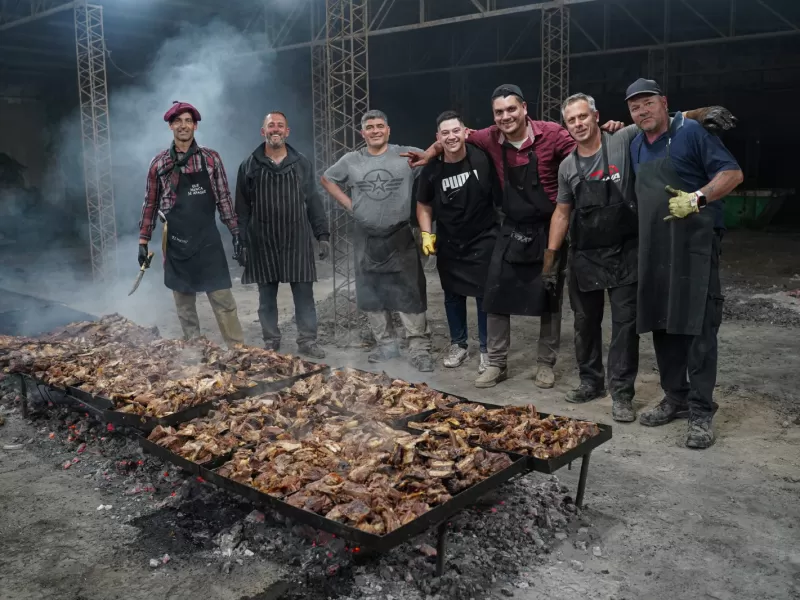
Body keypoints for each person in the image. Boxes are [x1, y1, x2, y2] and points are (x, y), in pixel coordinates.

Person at [407, 85, 616, 388]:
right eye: (499, 112)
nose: (505, 116)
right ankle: (496, 362)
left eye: (511, 110)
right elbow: (453, 138)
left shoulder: (552, 133)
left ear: (524, 108)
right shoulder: (489, 136)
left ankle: (545, 363)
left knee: (550, 295)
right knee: (494, 294)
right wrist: (430, 153)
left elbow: (587, 144)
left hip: (549, 227)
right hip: (511, 226)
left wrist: (607, 130)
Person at [625, 78, 743, 449]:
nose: (642, 111)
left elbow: (732, 174)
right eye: (634, 106)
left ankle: (701, 411)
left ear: (664, 103)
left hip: (695, 247)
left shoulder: (690, 132)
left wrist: (696, 199)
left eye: (647, 103)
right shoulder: (635, 145)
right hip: (656, 249)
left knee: (698, 331)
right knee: (664, 325)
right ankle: (675, 397)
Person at [546, 93, 641, 422]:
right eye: (571, 120)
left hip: (625, 251)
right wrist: (550, 260)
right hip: (584, 254)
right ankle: (591, 382)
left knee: (624, 327)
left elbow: (659, 120)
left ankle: (622, 393)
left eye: (583, 116)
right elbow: (561, 213)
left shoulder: (621, 140)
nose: (578, 124)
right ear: (566, 125)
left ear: (596, 116)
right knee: (585, 323)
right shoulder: (567, 166)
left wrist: (702, 114)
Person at [320, 109, 434, 372]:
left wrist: (447, 141)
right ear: (363, 133)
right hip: (366, 236)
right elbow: (327, 179)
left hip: (400, 234)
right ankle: (387, 345)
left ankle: (419, 348)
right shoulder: (351, 160)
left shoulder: (405, 154)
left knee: (410, 292)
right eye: (369, 127)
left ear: (388, 129)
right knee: (372, 293)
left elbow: (434, 156)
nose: (375, 130)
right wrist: (351, 206)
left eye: (379, 126)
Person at [138, 101, 245, 348]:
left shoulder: (210, 159)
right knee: (184, 305)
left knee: (223, 301)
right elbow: (150, 204)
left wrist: (235, 231)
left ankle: (239, 352)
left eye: (188, 121)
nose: (183, 126)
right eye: (178, 121)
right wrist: (143, 241)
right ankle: (196, 352)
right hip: (175, 242)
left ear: (195, 126)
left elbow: (223, 198)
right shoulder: (159, 164)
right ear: (171, 126)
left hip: (207, 239)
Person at [235, 111, 330, 358]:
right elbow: (242, 208)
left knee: (304, 297)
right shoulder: (249, 165)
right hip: (262, 242)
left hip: (296, 239)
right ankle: (271, 340)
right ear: (263, 132)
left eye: (280, 125)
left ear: (287, 132)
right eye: (270, 125)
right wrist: (241, 240)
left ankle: (307, 340)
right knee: (266, 298)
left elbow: (313, 202)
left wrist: (322, 235)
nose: (275, 129)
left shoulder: (302, 163)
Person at [416, 110, 501, 373]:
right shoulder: (432, 169)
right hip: (450, 240)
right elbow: (423, 204)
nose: (451, 137)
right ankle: (459, 344)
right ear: (438, 137)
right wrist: (426, 233)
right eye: (445, 133)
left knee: (484, 295)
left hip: (483, 238)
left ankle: (487, 349)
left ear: (465, 132)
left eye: (456, 131)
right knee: (452, 294)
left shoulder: (482, 158)